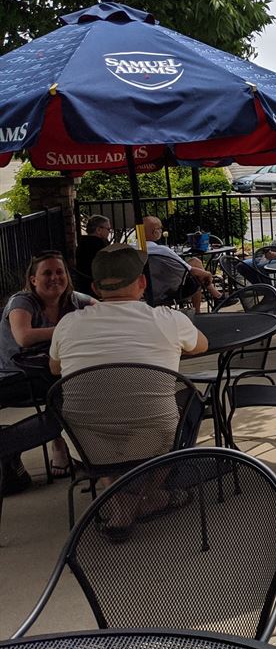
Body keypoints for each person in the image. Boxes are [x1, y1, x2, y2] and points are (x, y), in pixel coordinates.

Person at [48, 245, 209, 537]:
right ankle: (149, 495)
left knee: (102, 417)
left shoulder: (68, 324)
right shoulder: (167, 320)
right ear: (142, 282)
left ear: (95, 288)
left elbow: (54, 368)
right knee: (191, 401)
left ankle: (121, 502)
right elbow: (201, 345)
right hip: (154, 440)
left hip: (86, 444)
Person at [0, 252, 94, 491]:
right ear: (33, 280)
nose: (55, 278)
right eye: (47, 273)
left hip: (48, 372)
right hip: (15, 376)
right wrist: (68, 327)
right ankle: (51, 444)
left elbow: (106, 312)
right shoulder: (21, 302)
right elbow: (23, 336)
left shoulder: (74, 300)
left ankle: (80, 448)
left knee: (82, 385)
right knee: (69, 390)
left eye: (60, 272)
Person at [142, 216, 221, 311]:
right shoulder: (162, 250)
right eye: (160, 228)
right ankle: (201, 309)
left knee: (195, 262)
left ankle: (216, 295)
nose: (161, 231)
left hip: (145, 290)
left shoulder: (133, 250)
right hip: (171, 290)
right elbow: (189, 270)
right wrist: (207, 273)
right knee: (196, 273)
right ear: (155, 232)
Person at [74, 215, 111, 295]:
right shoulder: (99, 246)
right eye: (108, 229)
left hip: (84, 285)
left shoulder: (83, 243)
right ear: (98, 230)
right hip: (98, 286)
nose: (109, 232)